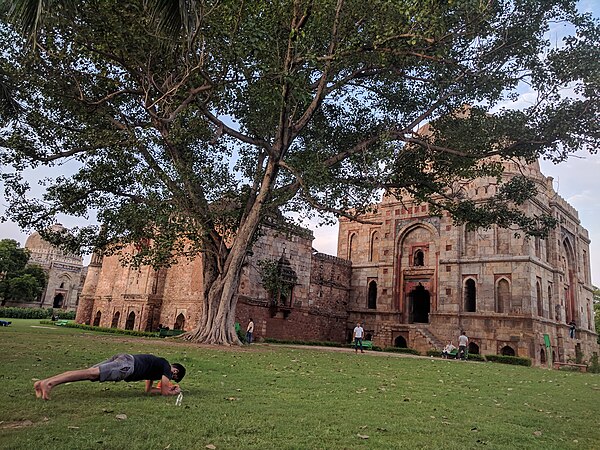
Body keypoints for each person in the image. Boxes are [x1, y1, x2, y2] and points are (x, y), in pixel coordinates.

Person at [33, 353, 186, 400]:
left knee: (89, 374)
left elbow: (148, 390)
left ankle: (43, 383)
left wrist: (163, 389)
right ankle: (50, 383)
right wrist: (173, 391)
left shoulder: (156, 369)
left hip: (125, 359)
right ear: (175, 371)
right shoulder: (166, 366)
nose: (170, 378)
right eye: (173, 377)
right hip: (126, 366)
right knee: (90, 374)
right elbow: (165, 392)